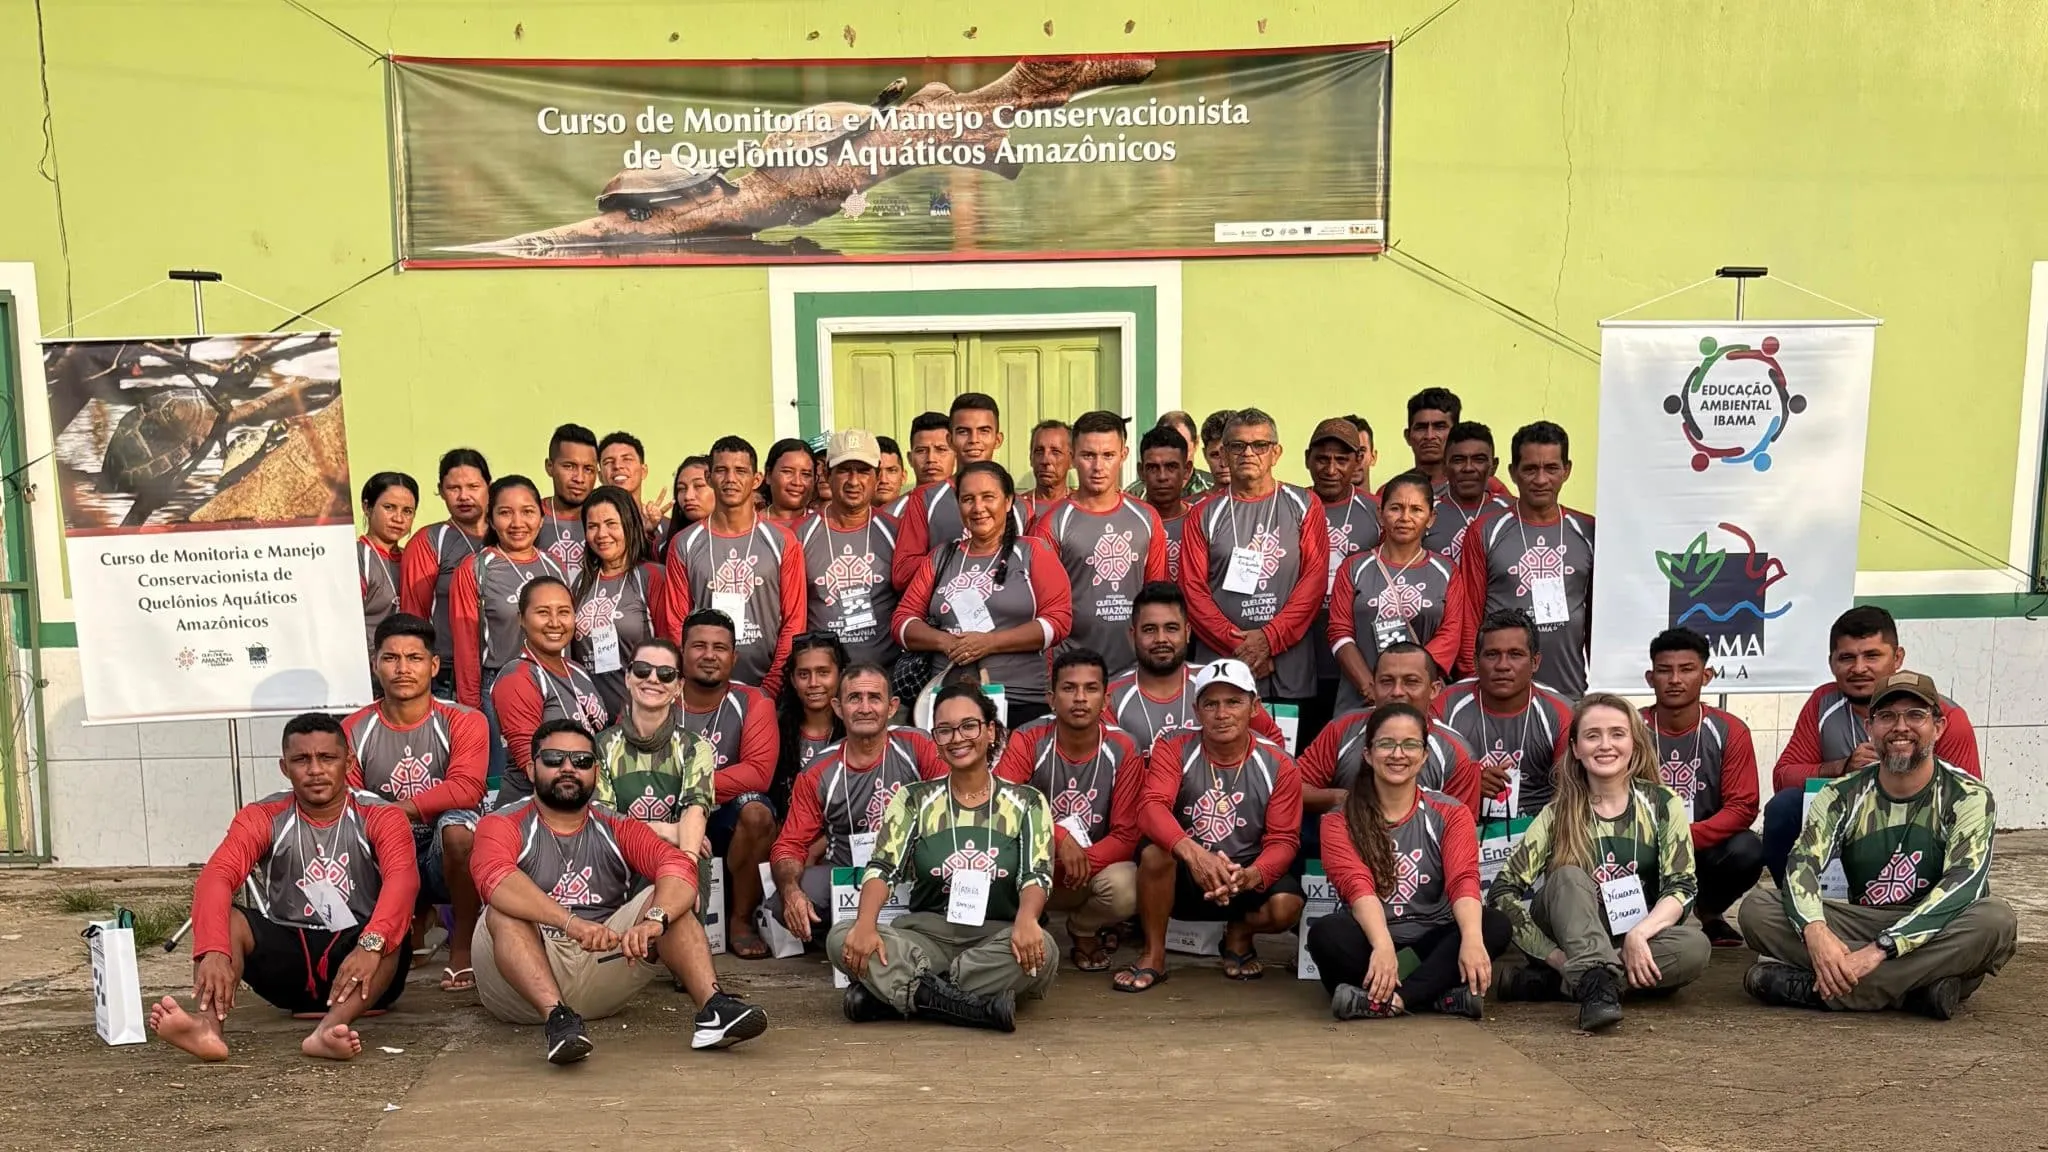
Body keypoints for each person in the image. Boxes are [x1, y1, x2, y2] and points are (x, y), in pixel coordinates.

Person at [470, 720, 767, 1059]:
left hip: (601, 966)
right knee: (503, 910)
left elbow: (677, 866)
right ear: (530, 767)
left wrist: (655, 920)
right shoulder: (502, 823)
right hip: (516, 990)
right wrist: (571, 923)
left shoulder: (616, 824)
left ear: (595, 772)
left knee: (669, 900)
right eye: (554, 759)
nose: (568, 768)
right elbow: (495, 878)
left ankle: (715, 1009)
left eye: (581, 761)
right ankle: (557, 1019)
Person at [1739, 671, 2017, 1019]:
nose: (1900, 727)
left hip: (1935, 924)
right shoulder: (1840, 793)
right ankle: (1914, 991)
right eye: (1887, 717)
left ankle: (1833, 989)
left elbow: (1964, 884)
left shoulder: (1969, 796)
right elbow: (1803, 864)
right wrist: (1816, 932)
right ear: (1871, 728)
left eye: (1915, 715)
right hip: (1863, 920)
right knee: (1758, 908)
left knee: (1994, 919)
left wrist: (1878, 951)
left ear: (1939, 726)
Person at [149, 714, 416, 1063]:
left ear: (349, 762)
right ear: (284, 767)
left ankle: (329, 1031)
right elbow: (216, 877)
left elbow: (403, 880)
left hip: (363, 967)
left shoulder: (381, 816)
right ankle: (208, 1028)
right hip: (290, 961)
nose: (315, 770)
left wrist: (372, 944)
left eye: (328, 758)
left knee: (392, 931)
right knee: (228, 919)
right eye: (302, 760)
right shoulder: (262, 815)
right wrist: (212, 950)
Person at [829, 683, 1056, 1031]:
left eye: (969, 726)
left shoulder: (1026, 802)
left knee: (1046, 951)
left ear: (991, 731)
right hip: (925, 938)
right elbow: (883, 868)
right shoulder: (914, 799)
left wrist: (1027, 921)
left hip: (996, 938)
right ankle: (965, 1005)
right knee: (841, 937)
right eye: (944, 730)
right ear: (934, 738)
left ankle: (901, 995)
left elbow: (1036, 875)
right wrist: (864, 924)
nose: (957, 738)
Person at [1486, 694, 1709, 1031]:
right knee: (1567, 877)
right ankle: (1587, 976)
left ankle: (1572, 983)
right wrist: (1556, 957)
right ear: (1575, 748)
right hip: (1569, 937)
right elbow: (1503, 892)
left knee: (1695, 948)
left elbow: (1682, 884)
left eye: (1617, 734)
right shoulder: (1557, 813)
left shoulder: (1662, 803)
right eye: (1593, 736)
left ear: (1634, 743)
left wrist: (1639, 935)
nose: (1605, 745)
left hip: (1633, 935)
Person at [1305, 702, 1511, 1020]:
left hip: (1433, 940)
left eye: (1410, 744)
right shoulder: (1338, 821)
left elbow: (1463, 880)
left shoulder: (1451, 812)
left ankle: (1391, 1002)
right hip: (1371, 941)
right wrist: (1384, 946)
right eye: (1386, 743)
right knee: (1326, 935)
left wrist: (1471, 938)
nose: (1398, 754)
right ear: (1368, 754)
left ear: (1425, 755)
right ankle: (1437, 996)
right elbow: (1358, 887)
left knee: (1491, 925)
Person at [1761, 606, 1982, 887]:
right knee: (1785, 807)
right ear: (1831, 663)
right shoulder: (1823, 703)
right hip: (1845, 825)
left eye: (1872, 655)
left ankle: (1928, 909)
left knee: (1989, 917)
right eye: (1847, 658)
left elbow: (1970, 802)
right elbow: (1784, 777)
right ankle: (1800, 907)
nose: (1859, 668)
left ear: (1898, 657)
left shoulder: (1947, 717)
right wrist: (1842, 767)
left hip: (1918, 830)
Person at [1120, 658, 1305, 991]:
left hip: (1241, 873)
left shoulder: (1279, 763)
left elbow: (1283, 840)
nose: (1222, 714)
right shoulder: (1174, 746)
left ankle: (1239, 932)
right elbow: (1150, 807)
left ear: (1254, 707)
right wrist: (1194, 854)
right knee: (1154, 855)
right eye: (1211, 704)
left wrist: (1252, 876)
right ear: (1196, 710)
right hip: (1186, 873)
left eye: (1234, 702)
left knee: (1286, 907)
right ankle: (1153, 955)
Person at [345, 614, 489, 993]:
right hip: (386, 846)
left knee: (459, 830)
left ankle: (462, 946)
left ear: (434, 665)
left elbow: (466, 789)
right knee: (351, 830)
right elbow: (352, 799)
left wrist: (396, 809)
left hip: (443, 847)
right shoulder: (354, 728)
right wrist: (390, 820)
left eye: (414, 658)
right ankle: (404, 922)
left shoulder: (463, 720)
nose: (403, 668)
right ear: (376, 665)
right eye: (391, 658)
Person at [768, 664, 947, 943]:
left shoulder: (917, 745)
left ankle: (915, 929)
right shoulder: (819, 772)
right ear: (838, 708)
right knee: (783, 903)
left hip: (914, 872)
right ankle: (846, 931)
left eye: (874, 698)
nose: (865, 708)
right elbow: (789, 845)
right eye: (855, 698)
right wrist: (791, 891)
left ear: (892, 707)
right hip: (849, 873)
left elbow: (950, 809)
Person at [893, 461, 1073, 728]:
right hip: (948, 702)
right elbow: (902, 622)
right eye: (968, 499)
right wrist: (945, 642)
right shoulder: (942, 556)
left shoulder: (1033, 552)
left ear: (1009, 500)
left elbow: (1058, 621)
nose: (978, 508)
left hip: (1019, 699)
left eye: (988, 497)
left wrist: (990, 643)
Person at [995, 649, 1143, 972]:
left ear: (1105, 700)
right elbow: (1001, 803)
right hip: (1032, 867)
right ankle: (1029, 922)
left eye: (1091, 689)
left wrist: (1083, 863)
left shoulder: (1124, 748)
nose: (1080, 698)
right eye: (1068, 688)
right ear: (1050, 698)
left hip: (1087, 872)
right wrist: (1059, 838)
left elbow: (1127, 834)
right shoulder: (1027, 738)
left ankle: (1083, 928)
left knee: (1129, 885)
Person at [1181, 408, 1330, 717]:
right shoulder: (1203, 514)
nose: (1248, 453)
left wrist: (1270, 640)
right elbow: (1193, 591)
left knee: (1285, 758)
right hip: (1224, 662)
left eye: (1259, 445)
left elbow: (1313, 581)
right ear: (1223, 453)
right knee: (1223, 753)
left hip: (1289, 663)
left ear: (1276, 453)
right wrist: (1243, 646)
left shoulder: (1305, 505)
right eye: (1238, 445)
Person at [1428, 421, 1594, 698]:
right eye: (1530, 469)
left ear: (1567, 470)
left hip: (1569, 688)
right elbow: (1470, 616)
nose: (1541, 480)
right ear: (1512, 472)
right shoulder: (1485, 531)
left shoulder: (1588, 530)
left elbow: (1596, 619)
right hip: (1497, 693)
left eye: (1551, 468)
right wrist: (1473, 684)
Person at [1642, 628, 1763, 947]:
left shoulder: (1729, 730)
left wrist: (1685, 836)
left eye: (1687, 669)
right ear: (1649, 678)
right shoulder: (1631, 728)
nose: (1675, 679)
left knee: (1748, 849)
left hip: (1705, 843)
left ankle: (1710, 913)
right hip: (1644, 843)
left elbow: (1743, 806)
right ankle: (1644, 915)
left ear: (1707, 675)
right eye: (1664, 671)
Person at [450, 475, 571, 788]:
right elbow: (465, 647)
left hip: (556, 684)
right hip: (500, 688)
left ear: (541, 517)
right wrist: (471, 713)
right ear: (491, 517)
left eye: (527, 512)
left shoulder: (555, 565)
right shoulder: (477, 568)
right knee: (510, 781)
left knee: (558, 775)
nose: (518, 522)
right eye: (506, 513)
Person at [674, 609, 782, 960]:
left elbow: (758, 773)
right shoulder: (657, 694)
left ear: (734, 657)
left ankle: (740, 920)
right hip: (666, 812)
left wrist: (689, 788)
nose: (709, 655)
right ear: (682, 652)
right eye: (699, 646)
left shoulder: (753, 700)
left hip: (724, 816)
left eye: (720, 648)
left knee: (757, 812)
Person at [663, 435, 806, 695]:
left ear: (756, 479)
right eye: (721, 470)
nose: (731, 479)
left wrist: (773, 683)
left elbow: (794, 620)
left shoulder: (783, 541)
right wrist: (695, 679)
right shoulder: (683, 543)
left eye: (740, 471)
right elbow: (676, 623)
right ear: (709, 477)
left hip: (770, 686)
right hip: (703, 689)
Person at [1031, 411, 1169, 677]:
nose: (1098, 467)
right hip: (1072, 670)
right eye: (1088, 455)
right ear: (1072, 456)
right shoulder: (1052, 523)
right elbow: (1042, 608)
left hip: (1135, 670)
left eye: (1108, 455)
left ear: (1124, 454)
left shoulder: (1147, 518)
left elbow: (1157, 598)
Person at [1298, 643, 1482, 818]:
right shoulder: (1342, 728)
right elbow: (1293, 788)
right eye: (1386, 682)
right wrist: (1340, 799)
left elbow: (1461, 829)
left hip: (1424, 850)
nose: (1397, 692)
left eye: (1411, 682)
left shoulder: (1457, 752)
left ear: (1434, 690)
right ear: (1373, 687)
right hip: (1345, 843)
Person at [1107, 581, 1288, 755]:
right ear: (1133, 636)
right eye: (1149, 629)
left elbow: (1273, 744)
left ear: (1187, 633)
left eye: (1171, 628)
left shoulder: (1220, 682)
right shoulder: (1110, 698)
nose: (1161, 638)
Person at [1329, 471, 1451, 713]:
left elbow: (1450, 634)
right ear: (1380, 514)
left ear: (1431, 518)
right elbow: (1339, 632)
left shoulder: (1447, 571)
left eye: (1416, 509)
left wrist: (1411, 687)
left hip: (1422, 702)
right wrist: (1371, 689)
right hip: (1360, 700)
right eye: (1395, 508)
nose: (1405, 517)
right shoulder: (1353, 567)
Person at [1436, 610, 1574, 818]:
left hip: (1537, 825)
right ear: (1475, 662)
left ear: (1535, 662)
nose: (1502, 666)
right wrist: (1469, 784)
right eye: (1492, 655)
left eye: (1515, 654)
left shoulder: (1561, 712)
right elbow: (1421, 783)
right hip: (1462, 824)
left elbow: (1571, 794)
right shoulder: (1445, 705)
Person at [891, 392, 1030, 587]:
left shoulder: (1020, 508)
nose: (974, 439)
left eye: (984, 431)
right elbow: (903, 573)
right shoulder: (926, 499)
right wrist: (967, 558)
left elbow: (1032, 573)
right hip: (943, 614)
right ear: (950, 439)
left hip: (1007, 616)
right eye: (964, 431)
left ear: (998, 440)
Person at [492, 576, 610, 803]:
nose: (555, 622)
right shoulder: (518, 676)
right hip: (535, 809)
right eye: (543, 612)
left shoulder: (577, 670)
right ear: (521, 619)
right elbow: (531, 764)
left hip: (579, 800)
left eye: (564, 612)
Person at [1302, 417, 1382, 746]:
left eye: (1342, 459)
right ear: (1307, 459)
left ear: (1358, 461)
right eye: (1322, 459)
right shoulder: (1292, 506)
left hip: (1358, 659)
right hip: (1301, 656)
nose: (1331, 469)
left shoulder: (1378, 512)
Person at [594, 639, 715, 854]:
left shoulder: (695, 747)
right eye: (642, 670)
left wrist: (684, 872)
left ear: (678, 686)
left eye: (666, 673)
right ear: (627, 678)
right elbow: (603, 822)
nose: (652, 678)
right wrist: (664, 830)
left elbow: (694, 813)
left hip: (678, 855)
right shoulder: (601, 746)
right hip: (617, 856)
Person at [795, 429, 901, 668]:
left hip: (885, 678)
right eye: (844, 470)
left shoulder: (896, 532)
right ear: (826, 474)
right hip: (822, 682)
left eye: (863, 471)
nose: (854, 481)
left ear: (876, 476)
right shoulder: (799, 535)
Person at [398, 448, 490, 697]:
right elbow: (413, 615)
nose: (464, 496)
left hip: (504, 668)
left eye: (473, 486)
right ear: (440, 490)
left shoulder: (508, 534)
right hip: (448, 676)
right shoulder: (429, 541)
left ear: (488, 486)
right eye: (453, 488)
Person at [572, 485, 668, 718]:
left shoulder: (653, 577)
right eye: (592, 526)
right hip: (590, 716)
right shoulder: (579, 583)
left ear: (629, 524)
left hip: (641, 716)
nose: (601, 534)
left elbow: (670, 649)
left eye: (611, 524)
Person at [770, 633, 848, 815]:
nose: (813, 683)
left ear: (840, 675)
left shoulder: (855, 729)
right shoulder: (777, 729)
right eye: (804, 674)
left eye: (823, 673)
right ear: (792, 680)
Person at [1425, 422, 1510, 562]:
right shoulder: (1423, 513)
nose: (1468, 468)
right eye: (1458, 460)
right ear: (1444, 467)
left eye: (1479, 460)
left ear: (1493, 466)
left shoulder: (1511, 511)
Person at [358, 471, 417, 668]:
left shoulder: (414, 559)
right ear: (367, 507)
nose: (398, 518)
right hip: (366, 673)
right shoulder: (358, 557)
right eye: (389, 508)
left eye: (407, 511)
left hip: (406, 674)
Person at [1134, 424, 1195, 581]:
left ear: (1187, 470)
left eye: (1171, 467)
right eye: (1153, 468)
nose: (1162, 477)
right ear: (1141, 471)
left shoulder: (1202, 522)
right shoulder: (1128, 523)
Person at [537, 423, 598, 570]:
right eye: (569, 466)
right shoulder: (528, 517)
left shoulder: (607, 520)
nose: (579, 478)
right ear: (549, 466)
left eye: (588, 469)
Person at [1123, 410, 1215, 501]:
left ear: (1196, 443)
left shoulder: (1213, 491)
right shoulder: (1132, 497)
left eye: (1180, 444)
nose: (1163, 476)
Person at [598, 430, 671, 535]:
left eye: (627, 459)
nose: (617, 466)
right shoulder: (589, 524)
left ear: (644, 471)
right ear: (600, 476)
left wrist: (648, 533)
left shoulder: (666, 528)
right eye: (609, 462)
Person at [1402, 387, 1462, 488]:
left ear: (1456, 434)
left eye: (1440, 427)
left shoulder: (1483, 488)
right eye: (1421, 428)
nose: (1429, 436)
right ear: (1408, 436)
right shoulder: (1391, 492)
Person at [1023, 418, 1074, 523]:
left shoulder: (1082, 506)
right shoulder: (1017, 507)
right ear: (1031, 458)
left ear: (1072, 460)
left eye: (1055, 452)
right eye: (1039, 451)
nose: (1045, 460)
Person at [761, 437, 816, 526]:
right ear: (768, 475)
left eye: (806, 474)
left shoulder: (823, 527)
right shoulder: (749, 526)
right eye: (787, 471)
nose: (797, 482)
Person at [902, 410, 956, 495]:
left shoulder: (971, 506)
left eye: (941, 449)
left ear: (956, 455)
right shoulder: (898, 507)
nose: (931, 459)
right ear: (910, 459)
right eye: (921, 451)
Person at [1198, 409, 1235, 487]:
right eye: (1215, 455)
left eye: (1229, 454)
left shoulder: (1266, 497)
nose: (1223, 464)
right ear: (1205, 455)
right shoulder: (1193, 499)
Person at [874, 434, 907, 508]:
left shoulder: (918, 517)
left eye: (892, 471)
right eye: (876, 471)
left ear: (903, 477)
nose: (883, 480)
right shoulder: (846, 518)